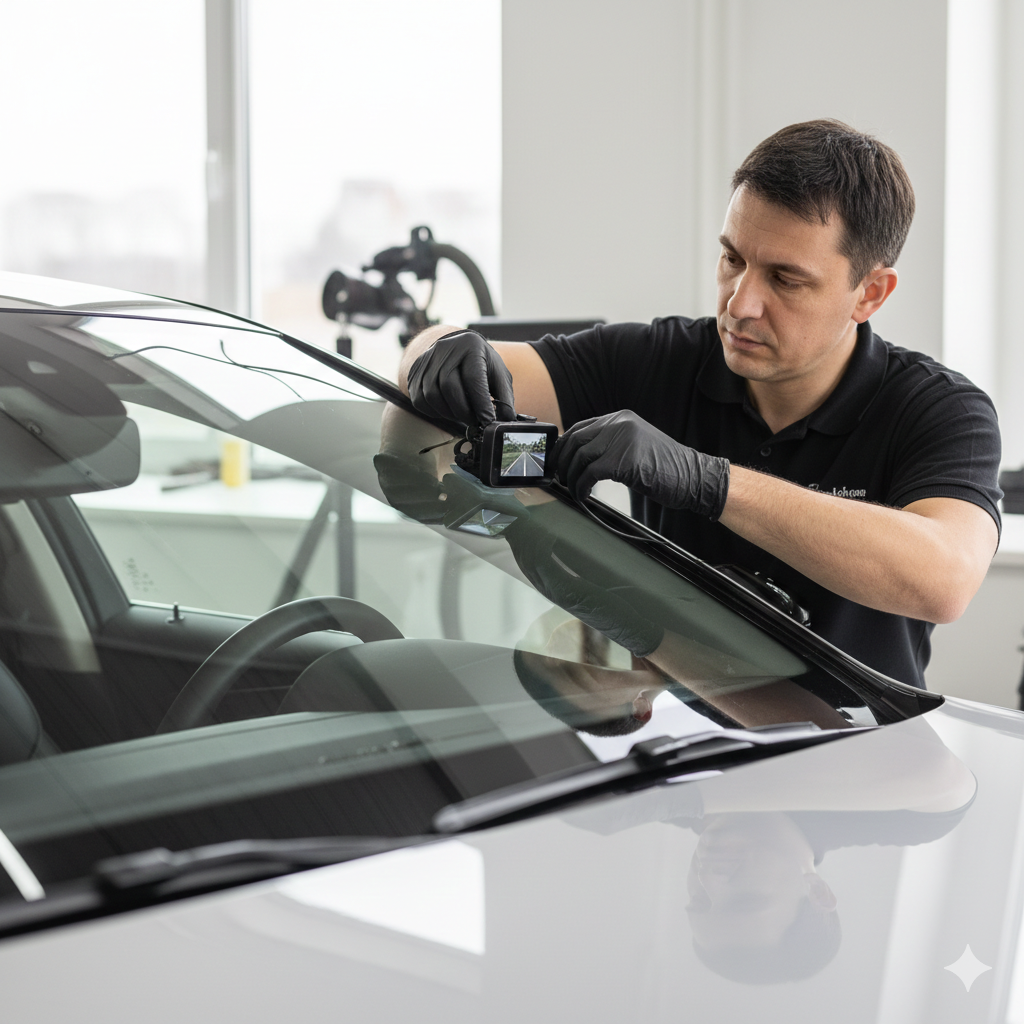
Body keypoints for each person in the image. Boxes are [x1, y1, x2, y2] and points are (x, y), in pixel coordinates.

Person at [398, 119, 1002, 688]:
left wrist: (706, 481)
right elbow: (462, 359)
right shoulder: (662, 358)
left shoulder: (940, 410)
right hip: (687, 758)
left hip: (861, 762)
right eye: (733, 259)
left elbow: (944, 578)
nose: (740, 304)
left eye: (786, 280)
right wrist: (436, 349)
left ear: (870, 292)